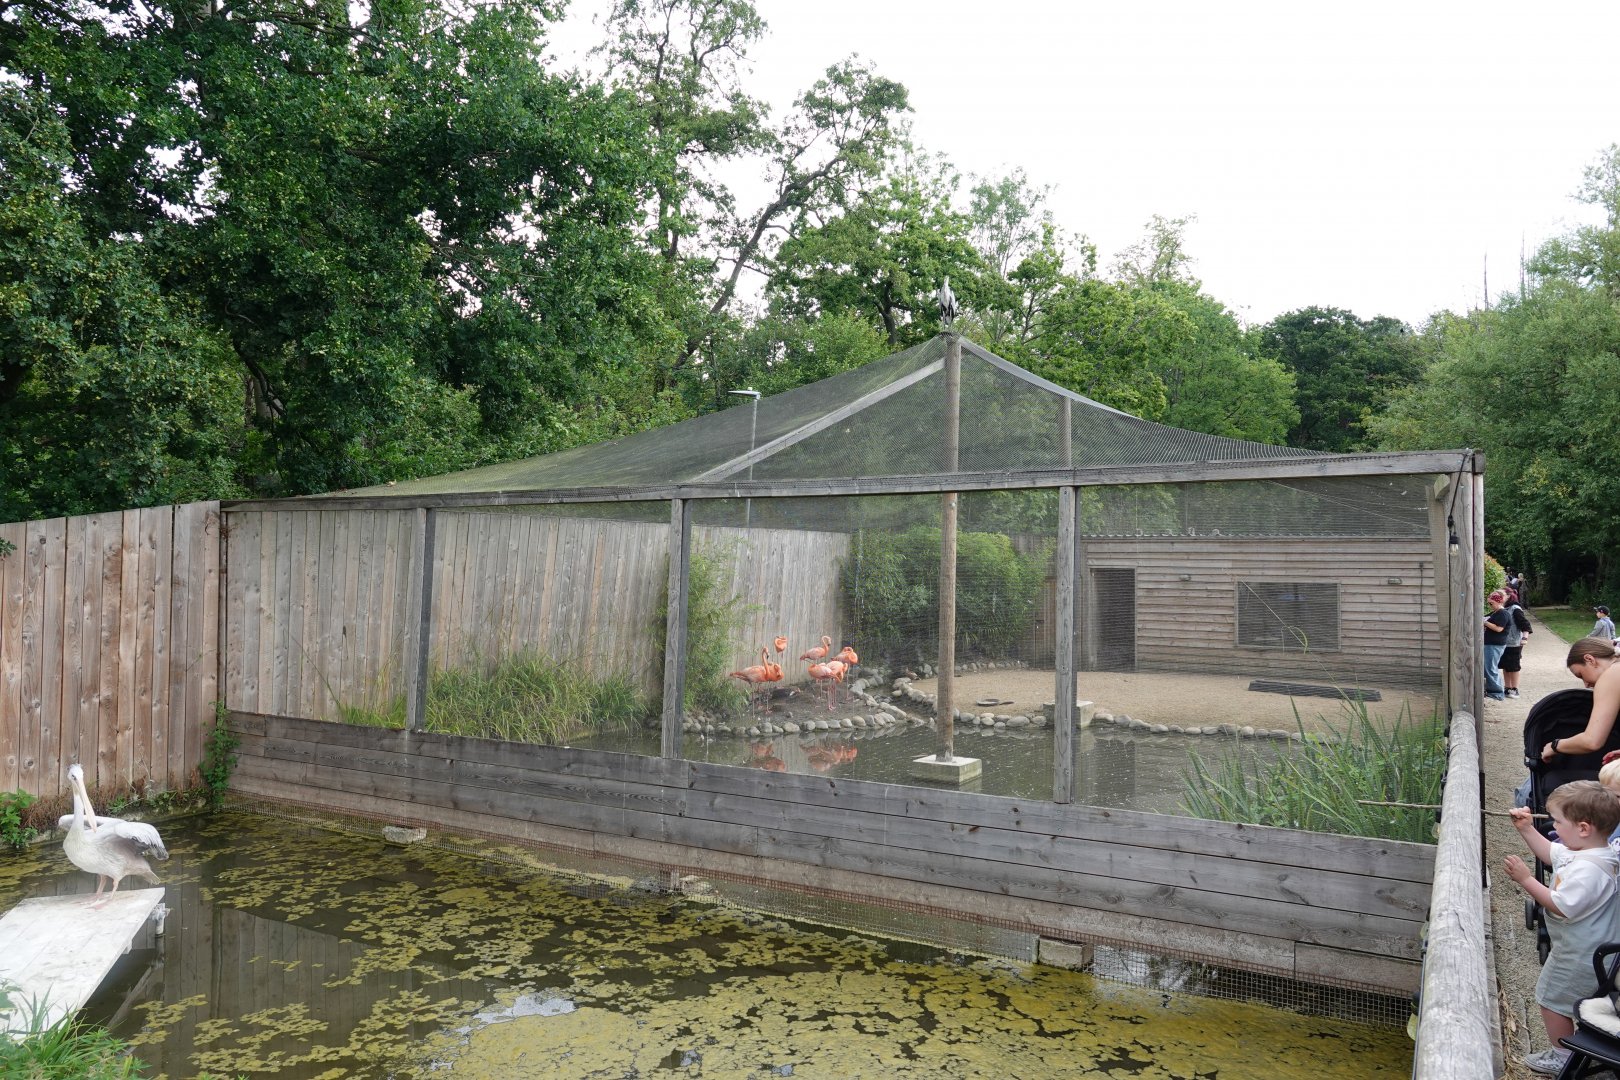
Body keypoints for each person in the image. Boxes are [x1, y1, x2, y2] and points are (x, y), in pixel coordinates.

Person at [1504, 779, 1620, 1074]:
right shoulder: (1588, 851)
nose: (1553, 827)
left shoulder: (1590, 870)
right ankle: (1573, 1043)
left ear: (1583, 828)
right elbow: (1553, 854)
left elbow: (1560, 905)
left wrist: (1526, 879)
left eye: (1557, 821)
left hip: (1579, 954)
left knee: (1550, 1001)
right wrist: (1527, 829)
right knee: (1567, 998)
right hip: (1582, 948)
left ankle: (1560, 1056)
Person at [1540, 638, 1620, 763]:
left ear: (1590, 659)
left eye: (1581, 675)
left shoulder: (1611, 675)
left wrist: (1554, 746)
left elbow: (1592, 741)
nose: (1586, 685)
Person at [1501, 594, 1534, 698]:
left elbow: (1525, 624)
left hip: (1514, 642)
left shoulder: (1515, 609)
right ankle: (1507, 688)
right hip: (1504, 642)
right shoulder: (1503, 608)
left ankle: (1514, 688)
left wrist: (1524, 638)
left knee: (1514, 666)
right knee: (1505, 665)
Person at [1483, 591, 1511, 701]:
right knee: (1488, 667)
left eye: (1491, 603)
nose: (1490, 605)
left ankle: (1497, 692)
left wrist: (1485, 622)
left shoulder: (1503, 613)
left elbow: (1499, 628)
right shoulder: (1495, 613)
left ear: (1498, 602)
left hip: (1495, 644)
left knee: (1490, 668)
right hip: (1490, 643)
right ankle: (1493, 691)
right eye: (1488, 603)